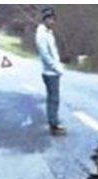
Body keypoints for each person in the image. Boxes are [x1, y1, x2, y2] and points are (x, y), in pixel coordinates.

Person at [36, 7, 65, 136]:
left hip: (53, 71)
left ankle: (54, 122)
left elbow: (53, 51)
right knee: (53, 99)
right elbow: (45, 55)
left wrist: (59, 64)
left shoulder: (49, 32)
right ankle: (54, 125)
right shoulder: (41, 34)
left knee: (53, 98)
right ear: (45, 19)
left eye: (53, 18)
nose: (52, 21)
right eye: (49, 19)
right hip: (50, 72)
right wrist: (56, 67)